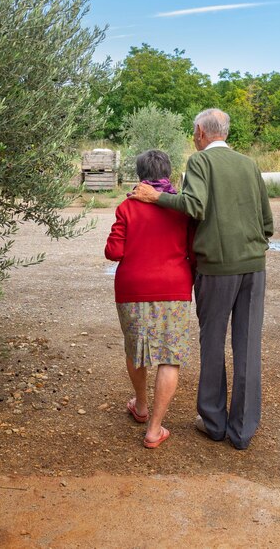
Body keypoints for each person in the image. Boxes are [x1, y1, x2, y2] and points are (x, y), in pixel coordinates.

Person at [131, 109, 274, 450]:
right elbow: (267, 221)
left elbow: (194, 205)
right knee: (248, 346)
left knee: (212, 344)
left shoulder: (199, 163)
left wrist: (157, 197)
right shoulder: (249, 164)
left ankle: (213, 422)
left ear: (199, 132)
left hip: (216, 269)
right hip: (254, 267)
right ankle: (242, 432)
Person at [105, 150, 196, 449]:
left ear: (139, 174)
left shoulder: (127, 206)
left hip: (133, 288)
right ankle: (154, 430)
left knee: (135, 349)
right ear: (167, 173)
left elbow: (113, 252)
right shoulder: (181, 208)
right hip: (174, 286)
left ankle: (141, 407)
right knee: (169, 356)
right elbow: (194, 251)